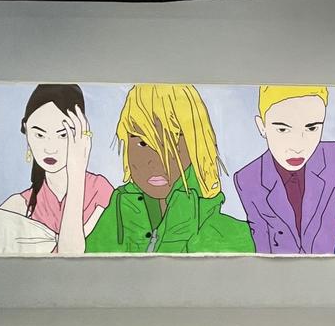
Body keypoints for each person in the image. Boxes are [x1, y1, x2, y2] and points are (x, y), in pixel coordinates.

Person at [85, 84, 253, 254]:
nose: (156, 162)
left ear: (197, 145)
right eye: (142, 143)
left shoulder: (233, 237)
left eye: (171, 143)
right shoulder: (116, 213)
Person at [0, 84, 113, 254]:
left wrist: (77, 170)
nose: (50, 148)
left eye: (63, 134)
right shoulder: (19, 205)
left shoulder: (100, 191)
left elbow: (70, 253)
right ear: (26, 130)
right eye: (39, 135)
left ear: (81, 134)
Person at [234, 85, 335, 254]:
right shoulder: (249, 179)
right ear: (262, 126)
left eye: (312, 128)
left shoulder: (333, 157)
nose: (297, 146)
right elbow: (263, 244)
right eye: (282, 129)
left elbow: (329, 228)